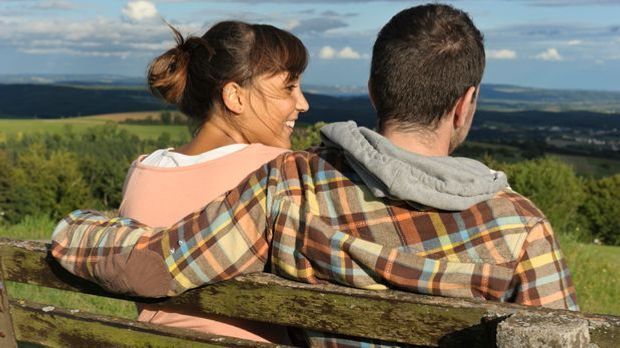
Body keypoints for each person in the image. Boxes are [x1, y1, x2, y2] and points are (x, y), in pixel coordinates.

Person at [51, 4, 578, 346]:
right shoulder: (521, 227)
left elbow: (158, 268)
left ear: (374, 92)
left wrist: (72, 230)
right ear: (466, 104)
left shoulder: (290, 185)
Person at [115, 21, 308, 344]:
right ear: (235, 96)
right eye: (289, 88)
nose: (302, 103)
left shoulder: (145, 170)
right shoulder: (277, 171)